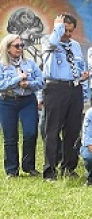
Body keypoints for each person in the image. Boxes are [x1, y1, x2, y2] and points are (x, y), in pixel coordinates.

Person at [42, 14, 88, 181]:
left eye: (70, 30)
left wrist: (84, 75)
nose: (66, 34)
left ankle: (69, 167)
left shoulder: (75, 45)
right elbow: (54, 42)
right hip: (55, 89)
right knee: (52, 131)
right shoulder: (49, 40)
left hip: (74, 88)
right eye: (64, 29)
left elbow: (79, 64)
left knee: (73, 130)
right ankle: (49, 170)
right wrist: (58, 27)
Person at [0, 34, 43, 177]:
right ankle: (12, 170)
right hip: (7, 101)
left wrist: (29, 83)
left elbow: (41, 82)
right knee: (10, 136)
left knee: (31, 133)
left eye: (22, 45)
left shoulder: (30, 63)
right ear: (7, 48)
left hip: (27, 101)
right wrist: (18, 79)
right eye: (17, 46)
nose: (20, 48)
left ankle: (28, 166)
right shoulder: (1, 65)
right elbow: (1, 85)